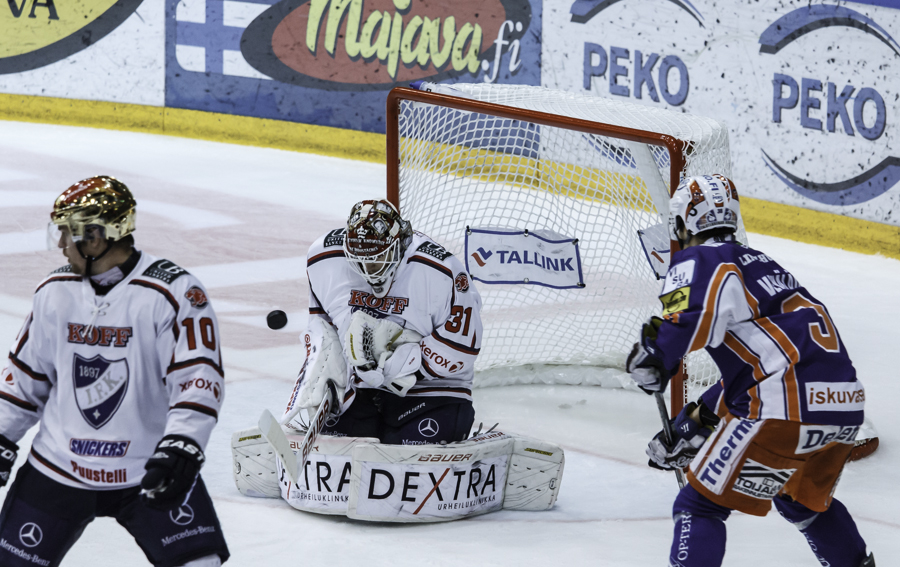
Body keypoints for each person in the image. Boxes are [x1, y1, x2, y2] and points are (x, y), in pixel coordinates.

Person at [626, 174, 874, 567]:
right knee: (801, 502)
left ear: (680, 224)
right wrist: (695, 423)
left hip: (784, 406)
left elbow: (684, 318)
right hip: (843, 407)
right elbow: (761, 368)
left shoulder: (699, 259)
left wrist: (657, 355)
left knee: (699, 505)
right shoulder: (767, 269)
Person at [0, 176, 229, 566]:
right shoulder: (54, 291)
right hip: (58, 465)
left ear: (95, 237)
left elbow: (197, 378)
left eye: (66, 234)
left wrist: (181, 445)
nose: (60, 245)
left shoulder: (173, 293)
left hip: (147, 467)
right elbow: (25, 379)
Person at [285, 199, 482, 445]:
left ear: (399, 245)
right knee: (345, 448)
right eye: (360, 260)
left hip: (433, 389)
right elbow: (322, 323)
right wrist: (326, 364)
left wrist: (406, 365)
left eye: (377, 259)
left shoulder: (440, 272)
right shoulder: (324, 257)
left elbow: (462, 349)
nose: (368, 269)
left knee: (407, 455)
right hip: (360, 387)